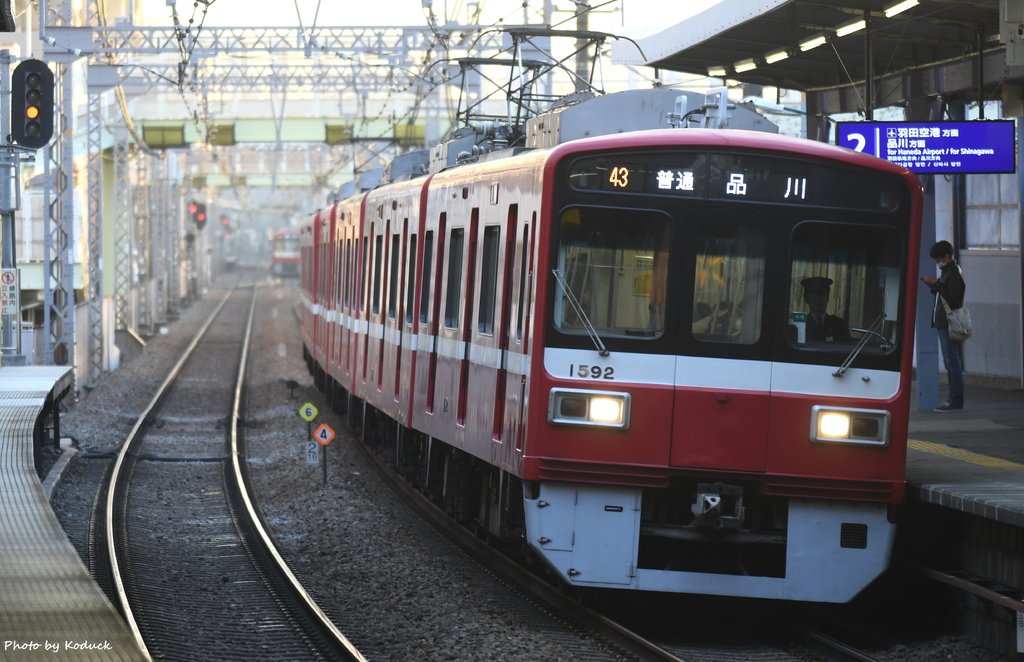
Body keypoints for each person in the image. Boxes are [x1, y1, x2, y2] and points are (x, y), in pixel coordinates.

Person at [921, 240, 966, 412]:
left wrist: (936, 285)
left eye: (940, 258)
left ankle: (955, 401)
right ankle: (954, 400)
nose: (938, 262)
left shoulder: (953, 272)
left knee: (951, 362)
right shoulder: (948, 271)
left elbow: (953, 298)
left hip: (948, 322)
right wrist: (934, 286)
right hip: (944, 322)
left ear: (947, 255)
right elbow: (946, 295)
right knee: (951, 361)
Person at [801, 276, 851, 342]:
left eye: (823, 294)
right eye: (815, 295)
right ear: (806, 298)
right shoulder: (802, 324)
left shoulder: (839, 325)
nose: (819, 299)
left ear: (827, 297)